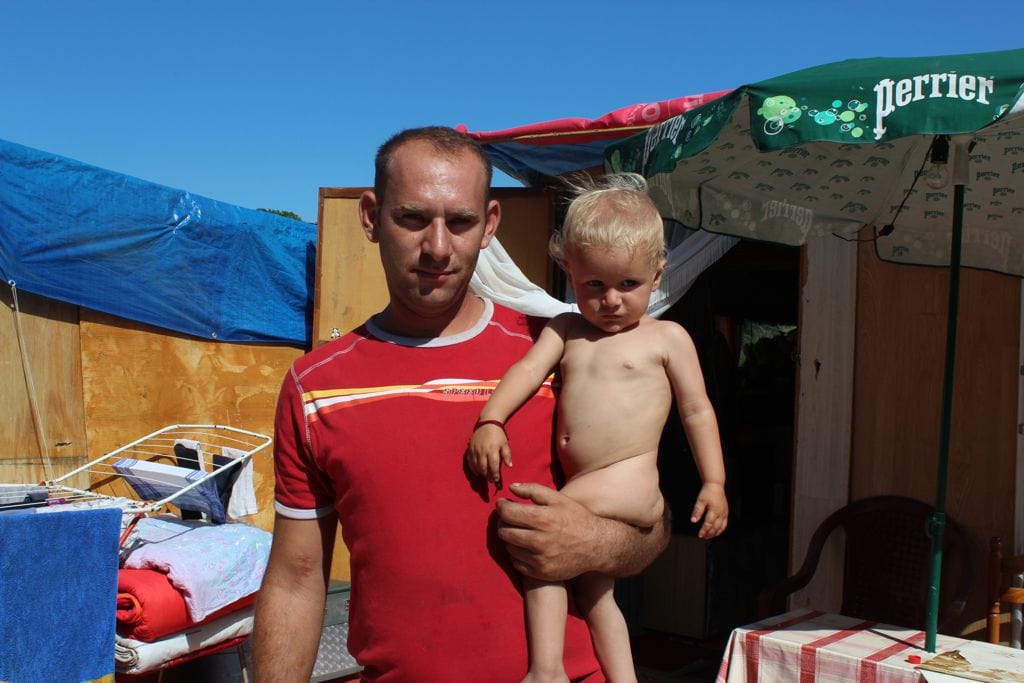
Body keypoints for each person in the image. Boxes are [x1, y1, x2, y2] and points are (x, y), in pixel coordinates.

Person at [251, 127, 670, 683]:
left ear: (490, 224)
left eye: (461, 221)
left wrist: (596, 543)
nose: (438, 247)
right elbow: (296, 579)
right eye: (413, 218)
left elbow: (651, 525)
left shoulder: (564, 353)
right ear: (371, 217)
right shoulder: (316, 387)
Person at [466, 173, 729, 683]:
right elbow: (526, 371)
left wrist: (714, 482)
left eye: (628, 284)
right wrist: (491, 418)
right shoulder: (566, 329)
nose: (611, 300)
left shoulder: (667, 337)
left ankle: (546, 670)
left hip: (627, 481)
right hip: (593, 483)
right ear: (570, 272)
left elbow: (698, 411)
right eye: (594, 285)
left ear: (657, 275)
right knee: (595, 592)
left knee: (540, 542)